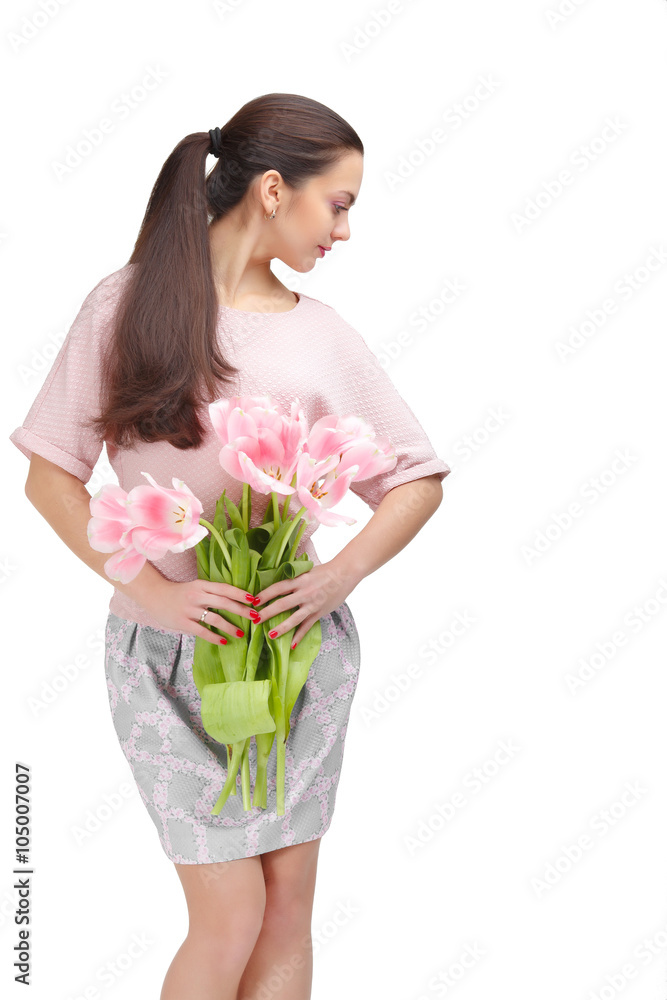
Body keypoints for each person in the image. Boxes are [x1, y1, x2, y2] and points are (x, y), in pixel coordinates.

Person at [9, 92, 450, 1000]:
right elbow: (50, 475)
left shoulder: (321, 334)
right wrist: (158, 593)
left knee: (286, 909)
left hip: (294, 653)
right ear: (276, 191)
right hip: (165, 660)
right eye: (341, 203)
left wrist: (335, 576)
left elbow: (415, 477)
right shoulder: (124, 304)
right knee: (229, 913)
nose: (347, 230)